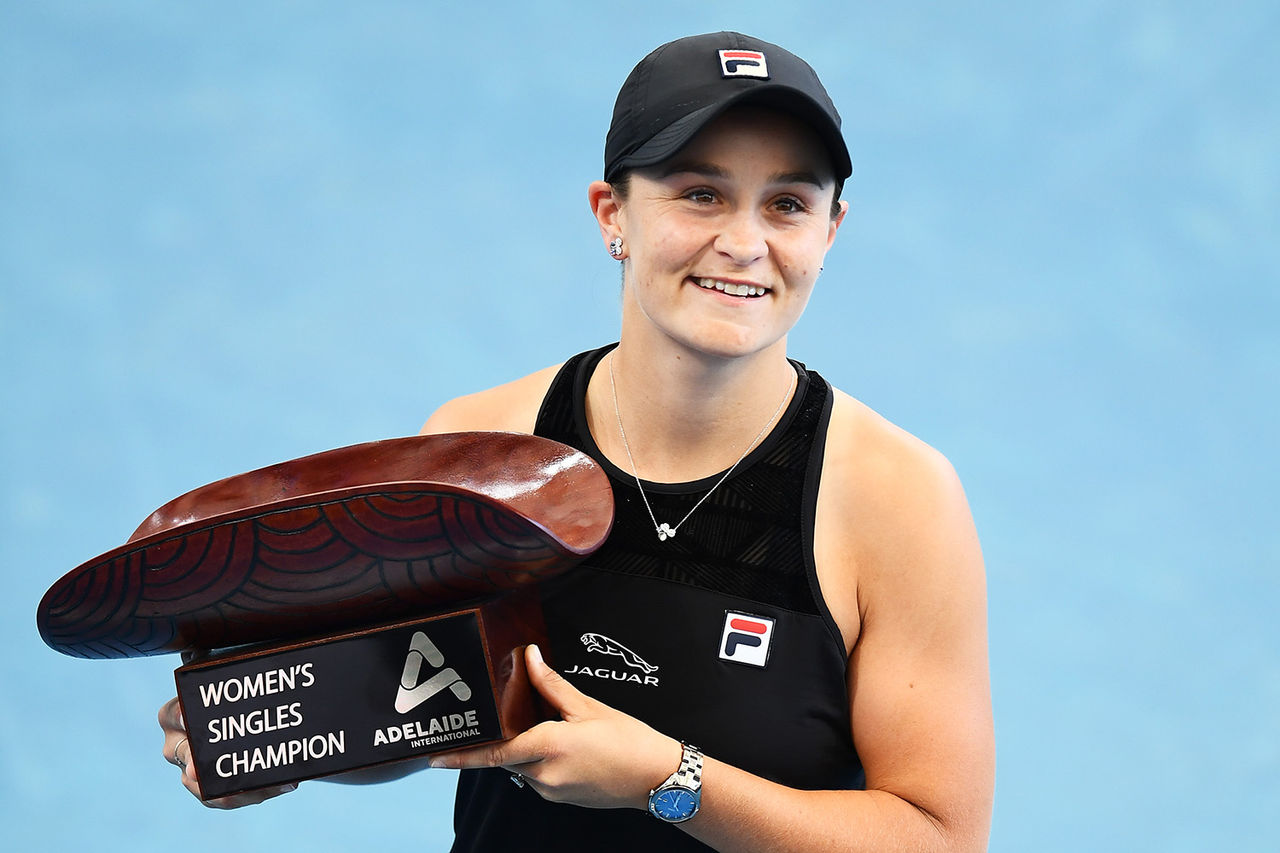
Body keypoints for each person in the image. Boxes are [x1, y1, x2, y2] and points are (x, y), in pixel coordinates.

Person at [159, 31, 994, 852]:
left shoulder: (898, 497)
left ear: (830, 232)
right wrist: (275, 740)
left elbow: (940, 836)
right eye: (699, 193)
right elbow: (415, 708)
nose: (745, 242)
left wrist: (668, 779)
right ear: (612, 215)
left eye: (787, 204)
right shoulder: (476, 446)